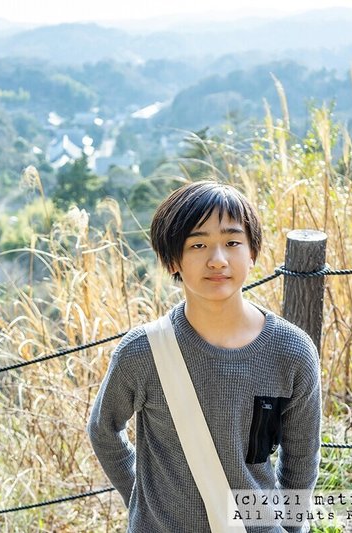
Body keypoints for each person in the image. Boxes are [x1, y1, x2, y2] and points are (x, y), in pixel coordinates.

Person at [87, 180, 321, 532]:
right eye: (198, 244)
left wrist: (288, 527)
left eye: (232, 242)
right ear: (172, 260)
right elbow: (104, 430)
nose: (218, 260)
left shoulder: (291, 351)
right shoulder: (143, 353)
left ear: (252, 252)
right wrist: (143, 501)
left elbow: (301, 456)